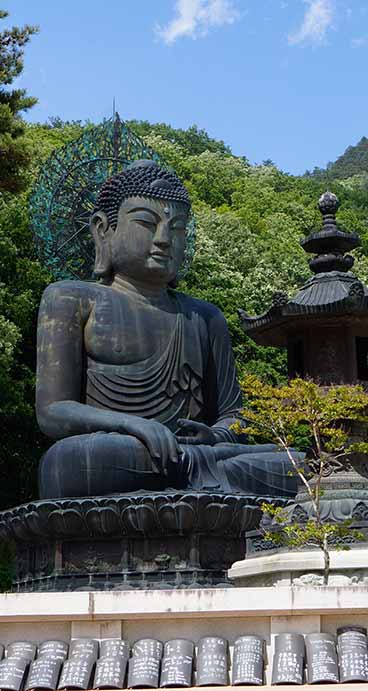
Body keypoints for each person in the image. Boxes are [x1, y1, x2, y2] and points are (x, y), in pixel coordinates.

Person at [34, 161, 297, 499]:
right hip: (122, 453)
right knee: (72, 462)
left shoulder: (204, 316)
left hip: (195, 454)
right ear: (103, 230)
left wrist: (216, 436)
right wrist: (132, 425)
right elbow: (52, 412)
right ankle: (198, 486)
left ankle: (193, 479)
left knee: (295, 465)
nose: (163, 240)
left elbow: (235, 417)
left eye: (178, 228)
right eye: (146, 223)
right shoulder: (71, 298)